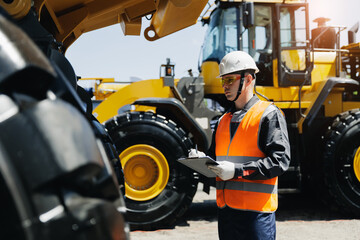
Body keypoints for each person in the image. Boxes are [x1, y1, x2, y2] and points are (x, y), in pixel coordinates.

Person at [189, 51, 290, 240]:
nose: (225, 86)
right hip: (227, 213)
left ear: (249, 79)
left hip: (256, 215)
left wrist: (237, 171)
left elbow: (279, 162)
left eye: (230, 80)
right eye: (223, 81)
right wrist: (200, 161)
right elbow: (216, 162)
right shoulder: (222, 121)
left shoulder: (268, 114)